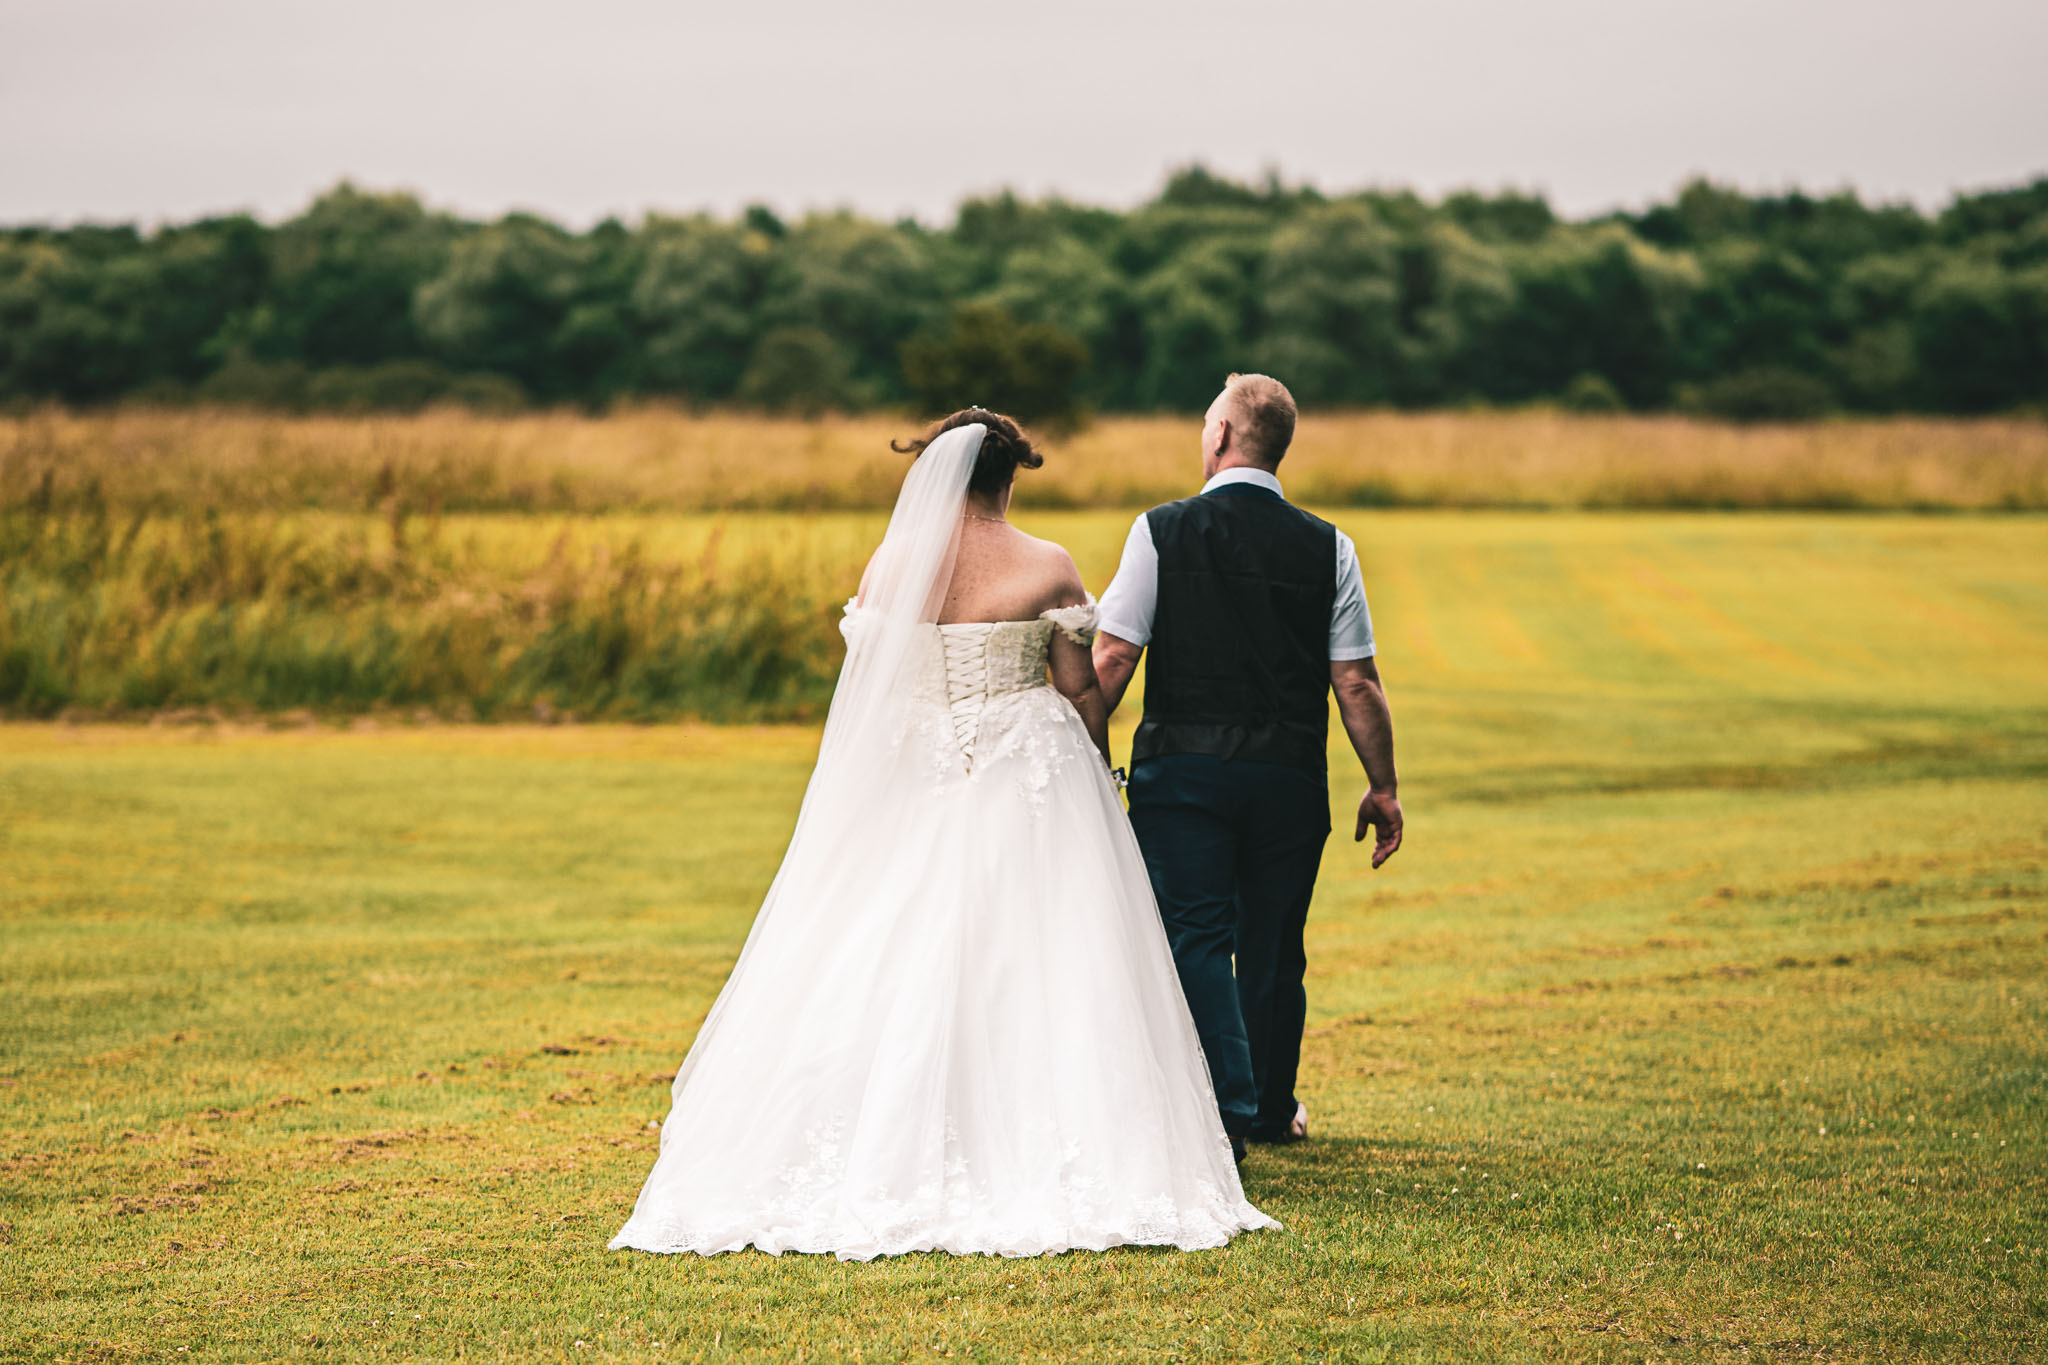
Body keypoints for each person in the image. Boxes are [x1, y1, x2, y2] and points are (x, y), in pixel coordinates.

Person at [609, 410, 1274, 1260]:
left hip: (913, 765)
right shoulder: (1048, 564)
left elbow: (873, 692)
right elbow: (1078, 690)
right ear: (1009, 476)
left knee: (883, 937)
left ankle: (866, 1135)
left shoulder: (894, 566)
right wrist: (1101, 771)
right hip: (1028, 768)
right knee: (1049, 953)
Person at [1093, 373, 1403, 1152]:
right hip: (1288, 781)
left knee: (1197, 936)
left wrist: (1081, 753)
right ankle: (1267, 1109)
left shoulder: (1159, 530)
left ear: (1223, 435)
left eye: (1207, 424)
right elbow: (1355, 679)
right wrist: (1383, 785)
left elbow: (1112, 656)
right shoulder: (1329, 545)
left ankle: (1222, 1108)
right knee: (1273, 945)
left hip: (1182, 774)